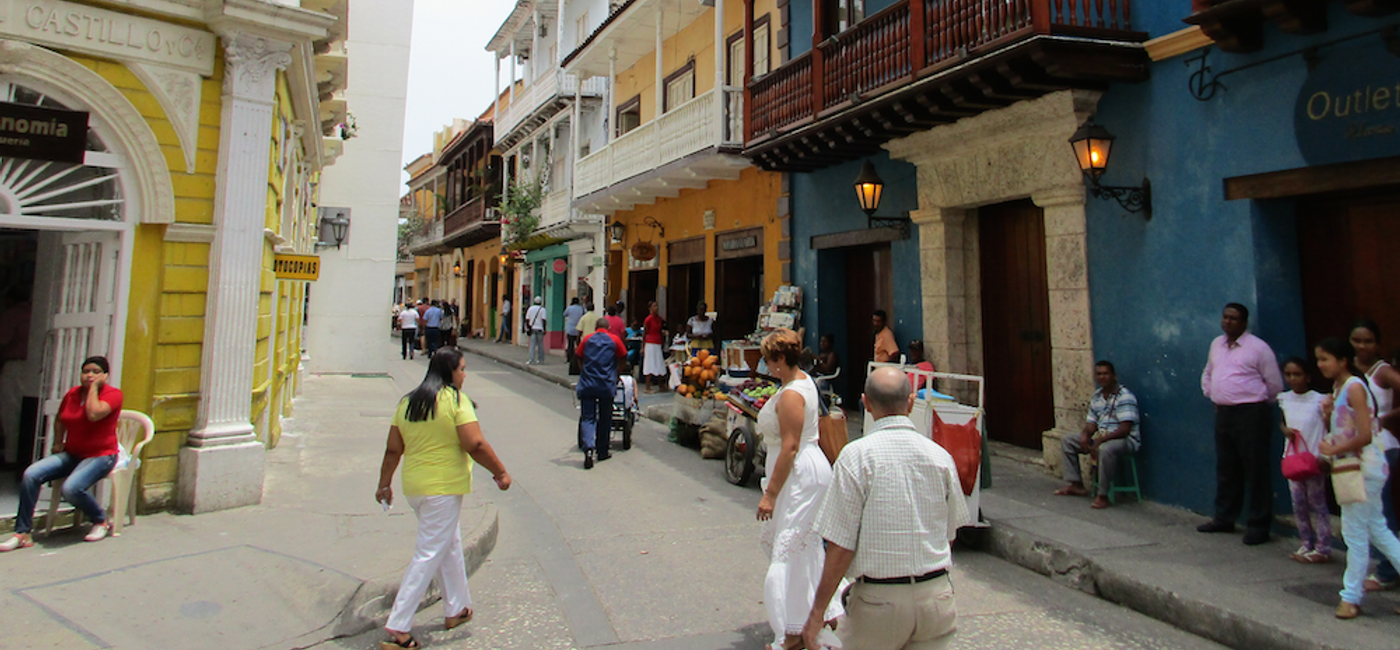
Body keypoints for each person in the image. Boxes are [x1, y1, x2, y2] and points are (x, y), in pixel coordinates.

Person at [800, 366, 970, 650]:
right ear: (912, 401)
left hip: (880, 601)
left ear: (865, 403)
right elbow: (949, 534)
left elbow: (840, 545)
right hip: (936, 597)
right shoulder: (940, 457)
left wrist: (817, 612)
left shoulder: (856, 457)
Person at [374, 348, 512, 648]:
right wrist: (500, 472)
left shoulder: (407, 403)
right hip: (443, 489)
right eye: (462, 369)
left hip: (416, 489)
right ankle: (398, 627)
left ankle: (457, 607)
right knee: (428, 554)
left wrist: (384, 484)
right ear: (449, 372)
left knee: (449, 544)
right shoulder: (455, 401)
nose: (464, 375)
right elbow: (475, 443)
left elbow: (393, 449)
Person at [753, 328, 843, 650]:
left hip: (799, 475)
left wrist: (770, 494)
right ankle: (816, 615)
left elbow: (790, 446)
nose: (765, 366)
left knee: (788, 549)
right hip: (805, 471)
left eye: (767, 360)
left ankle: (791, 632)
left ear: (779, 360)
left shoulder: (791, 394)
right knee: (803, 546)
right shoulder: (801, 383)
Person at [1312, 337, 1400, 619]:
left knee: (1355, 533)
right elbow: (1344, 429)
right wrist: (1327, 417)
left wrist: (1334, 448)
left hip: (1363, 469)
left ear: (1342, 360)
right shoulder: (1339, 389)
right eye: (1319, 359)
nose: (1320, 364)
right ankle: (1351, 596)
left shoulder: (1354, 388)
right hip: (1354, 467)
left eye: (1325, 359)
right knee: (1377, 530)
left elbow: (1364, 434)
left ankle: (1350, 597)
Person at [1, 356, 123, 551]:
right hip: (73, 453)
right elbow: (60, 419)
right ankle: (22, 532)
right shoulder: (72, 394)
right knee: (31, 474)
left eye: (95, 372)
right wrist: (58, 441)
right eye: (86, 371)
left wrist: (92, 389)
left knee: (71, 489)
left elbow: (93, 414)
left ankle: (100, 519)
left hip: (101, 455)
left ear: (105, 376)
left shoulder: (113, 395)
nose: (89, 375)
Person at [1198, 302, 1284, 545]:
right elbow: (1208, 373)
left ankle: (1259, 526)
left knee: (1255, 470)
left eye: (1234, 318)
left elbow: (1274, 385)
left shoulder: (1258, 348)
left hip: (1251, 414)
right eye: (1225, 317)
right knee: (1227, 468)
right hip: (1223, 413)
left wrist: (1252, 403)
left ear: (1244, 323)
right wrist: (1212, 392)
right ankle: (1224, 518)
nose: (1228, 322)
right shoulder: (1216, 344)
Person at [1352, 320, 1400, 590]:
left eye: (1368, 341)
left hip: (1382, 447)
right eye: (1357, 341)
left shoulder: (1383, 372)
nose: (1362, 346)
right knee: (1369, 512)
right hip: (1359, 449)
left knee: (1380, 512)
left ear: (1377, 344)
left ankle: (1387, 571)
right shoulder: (1347, 370)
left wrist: (1384, 418)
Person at [1053, 361, 1141, 509]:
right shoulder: (1097, 396)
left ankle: (1103, 495)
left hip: (1125, 440)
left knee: (1106, 449)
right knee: (1068, 441)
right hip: (1101, 436)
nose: (1102, 377)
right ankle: (1076, 484)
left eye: (1105, 374)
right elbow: (1091, 423)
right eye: (1099, 374)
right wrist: (1085, 434)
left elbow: (1125, 429)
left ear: (1114, 376)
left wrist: (1100, 440)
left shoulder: (1124, 396)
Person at [1277, 356, 1331, 564]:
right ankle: (1306, 543)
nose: (1292, 379)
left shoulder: (1320, 400)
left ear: (1308, 377)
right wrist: (1286, 431)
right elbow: (1282, 422)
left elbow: (1328, 425)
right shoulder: (1284, 399)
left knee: (1318, 503)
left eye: (1297, 374)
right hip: (1293, 457)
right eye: (1288, 374)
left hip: (1314, 458)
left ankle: (1323, 546)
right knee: (1298, 503)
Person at [577, 320, 626, 469]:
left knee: (588, 417)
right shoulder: (614, 339)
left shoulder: (587, 339)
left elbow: (578, 356)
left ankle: (588, 449)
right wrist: (617, 374)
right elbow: (623, 356)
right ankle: (602, 450)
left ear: (595, 328)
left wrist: (583, 371)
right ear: (608, 328)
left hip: (588, 384)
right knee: (605, 418)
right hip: (606, 384)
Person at [0, 286, 32, 465]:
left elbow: (2, 341)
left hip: (14, 366)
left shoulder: (12, 315)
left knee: (11, 412)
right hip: (34, 367)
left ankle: (11, 457)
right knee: (27, 413)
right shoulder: (34, 313)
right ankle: (24, 457)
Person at [642, 302, 666, 394]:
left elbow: (660, 330)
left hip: (658, 342)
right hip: (650, 343)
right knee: (650, 364)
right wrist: (643, 346)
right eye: (654, 306)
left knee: (659, 363)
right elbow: (645, 332)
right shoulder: (648, 319)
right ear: (650, 308)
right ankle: (647, 387)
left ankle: (661, 385)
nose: (656, 308)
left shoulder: (659, 319)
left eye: (657, 306)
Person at [564, 297, 586, 374]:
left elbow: (565, 314)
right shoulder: (581, 308)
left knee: (570, 345)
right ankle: (577, 358)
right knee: (578, 345)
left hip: (570, 329)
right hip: (578, 329)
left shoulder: (569, 308)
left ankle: (569, 358)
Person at [525, 296, 547, 365]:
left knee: (532, 345)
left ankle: (531, 359)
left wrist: (528, 327)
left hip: (533, 329)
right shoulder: (543, 309)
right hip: (540, 329)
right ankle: (540, 359)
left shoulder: (530, 309)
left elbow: (527, 319)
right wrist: (544, 328)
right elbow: (544, 320)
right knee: (540, 345)